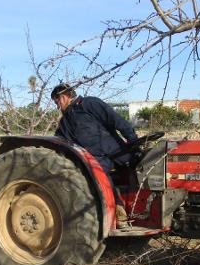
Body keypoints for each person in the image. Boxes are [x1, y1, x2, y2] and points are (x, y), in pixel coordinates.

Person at [51, 83, 138, 228]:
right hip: (98, 161)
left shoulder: (89, 104)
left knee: (141, 165)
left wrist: (133, 140)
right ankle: (118, 210)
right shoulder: (65, 123)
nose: (58, 106)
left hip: (118, 151)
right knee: (100, 176)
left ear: (64, 97)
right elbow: (58, 143)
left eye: (57, 102)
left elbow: (116, 120)